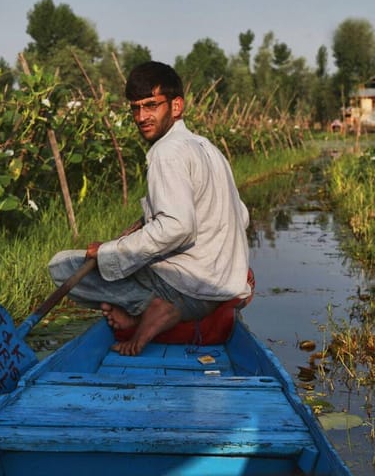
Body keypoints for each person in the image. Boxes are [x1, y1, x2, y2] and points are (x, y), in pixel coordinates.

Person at [48, 61, 251, 356]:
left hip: (191, 289)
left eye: (151, 106)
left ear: (176, 106)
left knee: (62, 266)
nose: (142, 116)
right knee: (135, 255)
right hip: (225, 283)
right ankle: (151, 310)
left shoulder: (166, 152)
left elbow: (177, 227)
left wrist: (109, 252)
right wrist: (141, 229)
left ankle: (153, 308)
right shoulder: (208, 147)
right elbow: (241, 215)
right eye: (136, 108)